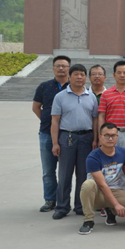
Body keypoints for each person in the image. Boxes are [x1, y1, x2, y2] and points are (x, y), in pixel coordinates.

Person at [50, 64, 99, 219]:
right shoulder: (60, 96)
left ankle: (80, 205)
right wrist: (55, 143)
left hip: (87, 138)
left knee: (83, 174)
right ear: (69, 77)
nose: (79, 77)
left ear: (86, 77)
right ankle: (62, 207)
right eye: (76, 74)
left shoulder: (91, 96)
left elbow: (95, 119)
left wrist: (95, 139)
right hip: (67, 137)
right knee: (65, 174)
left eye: (82, 75)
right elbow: (55, 121)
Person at [33, 55, 70, 213]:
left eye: (64, 66)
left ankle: (63, 200)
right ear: (53, 68)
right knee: (48, 170)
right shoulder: (44, 86)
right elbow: (36, 107)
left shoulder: (74, 86)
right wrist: (47, 121)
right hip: (46, 134)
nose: (61, 68)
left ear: (69, 68)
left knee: (65, 171)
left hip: (67, 135)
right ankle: (50, 199)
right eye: (58, 66)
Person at [78, 123, 125, 235]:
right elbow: (102, 184)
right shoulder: (93, 157)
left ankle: (110, 211)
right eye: (107, 135)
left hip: (115, 190)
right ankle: (88, 220)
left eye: (113, 135)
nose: (110, 138)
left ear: (117, 137)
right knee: (88, 184)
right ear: (100, 137)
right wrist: (116, 204)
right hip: (97, 193)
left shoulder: (122, 152)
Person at [98, 61, 125, 157]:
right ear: (114, 75)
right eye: (119, 72)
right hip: (109, 133)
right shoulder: (106, 94)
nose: (122, 75)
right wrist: (101, 135)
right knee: (109, 159)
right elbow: (101, 116)